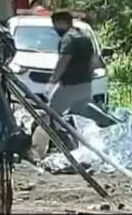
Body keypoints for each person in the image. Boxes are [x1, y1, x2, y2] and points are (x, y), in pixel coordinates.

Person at [29, 9, 96, 161]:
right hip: (85, 84)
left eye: (55, 24)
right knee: (82, 116)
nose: (54, 28)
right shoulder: (84, 37)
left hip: (69, 85)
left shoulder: (68, 39)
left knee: (50, 114)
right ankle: (82, 149)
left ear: (61, 22)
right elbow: (93, 61)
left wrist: (52, 83)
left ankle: (37, 152)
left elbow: (63, 63)